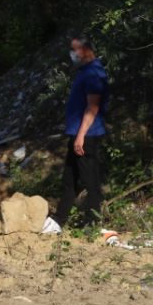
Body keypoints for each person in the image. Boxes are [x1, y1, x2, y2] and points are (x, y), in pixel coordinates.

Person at [55, 36, 110, 228]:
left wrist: (81, 136)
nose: (72, 54)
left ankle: (93, 222)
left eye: (74, 49)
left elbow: (93, 107)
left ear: (86, 50)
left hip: (87, 135)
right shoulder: (83, 71)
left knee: (90, 180)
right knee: (69, 179)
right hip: (76, 134)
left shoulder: (94, 73)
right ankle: (59, 219)